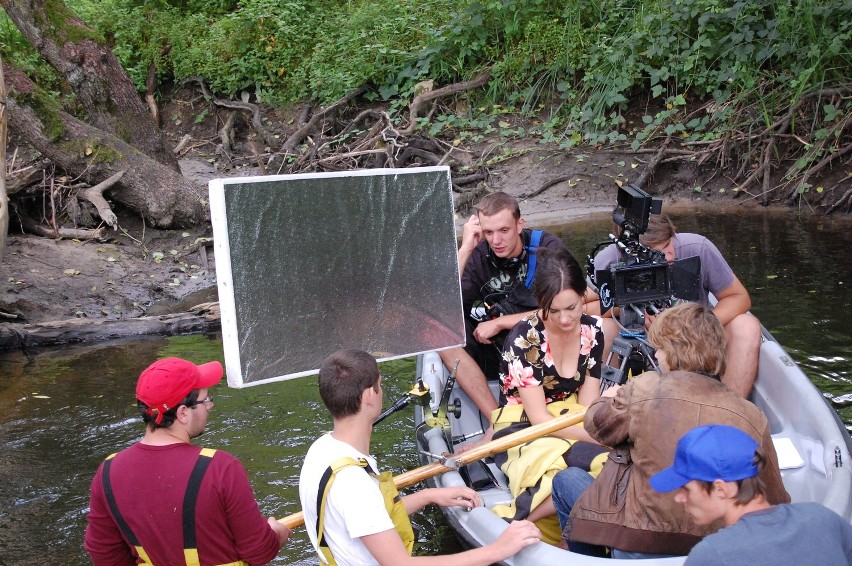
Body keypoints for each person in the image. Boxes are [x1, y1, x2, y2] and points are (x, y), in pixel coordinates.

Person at [552, 302, 790, 559]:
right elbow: (776, 497)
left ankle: (595, 561)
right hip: (716, 546)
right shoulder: (750, 413)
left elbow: (597, 427)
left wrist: (606, 398)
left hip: (641, 543)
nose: (655, 356)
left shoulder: (643, 389)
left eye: (660, 349)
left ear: (674, 351)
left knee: (566, 481)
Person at [299, 349, 542, 565]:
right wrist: (497, 550)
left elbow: (369, 517)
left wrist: (429, 496)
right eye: (380, 385)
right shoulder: (353, 484)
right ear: (369, 396)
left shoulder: (321, 450)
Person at [85, 357, 290, 565]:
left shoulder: (108, 471)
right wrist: (275, 534)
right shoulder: (220, 468)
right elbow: (259, 552)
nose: (209, 406)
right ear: (183, 413)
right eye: (206, 400)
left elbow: (105, 556)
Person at [489, 248, 608, 540]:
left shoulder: (593, 331)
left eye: (572, 308)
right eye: (553, 311)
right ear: (540, 304)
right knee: (566, 468)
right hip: (525, 425)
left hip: (572, 416)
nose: (565, 319)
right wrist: (598, 437)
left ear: (583, 297)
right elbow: (539, 418)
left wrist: (600, 432)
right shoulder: (524, 338)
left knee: (609, 462)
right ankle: (525, 515)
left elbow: (587, 405)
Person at [440, 191, 568, 444]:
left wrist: (500, 322)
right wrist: (465, 247)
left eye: (504, 230)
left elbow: (573, 304)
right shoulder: (479, 254)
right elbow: (440, 304)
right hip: (497, 348)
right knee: (441, 334)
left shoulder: (547, 248)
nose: (496, 240)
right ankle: (498, 420)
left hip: (542, 342)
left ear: (520, 224)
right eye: (488, 233)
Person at [594, 213, 762, 398]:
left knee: (746, 325)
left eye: (668, 246)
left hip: (698, 340)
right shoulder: (610, 258)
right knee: (601, 327)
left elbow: (739, 298)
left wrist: (696, 325)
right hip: (637, 339)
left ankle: (729, 409)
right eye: (655, 253)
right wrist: (629, 300)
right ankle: (614, 407)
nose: (667, 257)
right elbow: (583, 305)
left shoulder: (698, 248)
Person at [651, 424, 852, 565]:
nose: (679, 497)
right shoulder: (822, 518)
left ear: (721, 489)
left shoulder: (713, 554)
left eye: (686, 488)